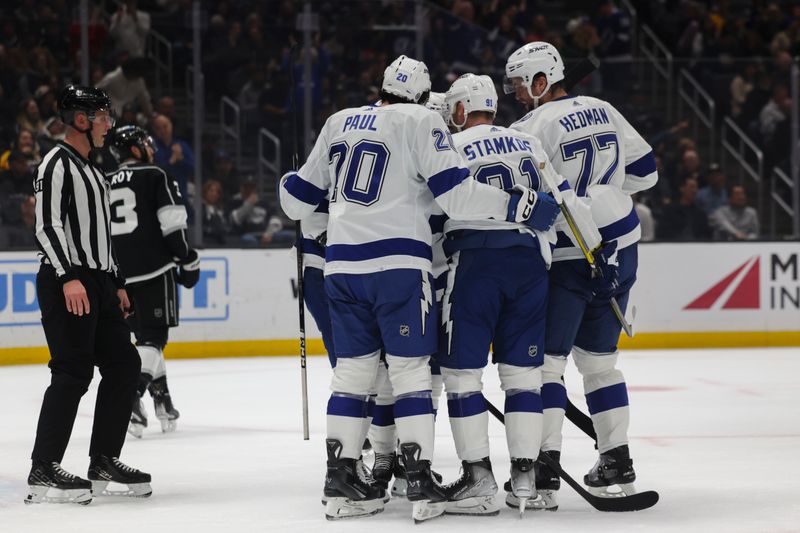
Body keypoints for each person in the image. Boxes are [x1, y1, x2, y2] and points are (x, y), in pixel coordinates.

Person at [279, 55, 547, 522]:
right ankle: (418, 479)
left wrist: (288, 179)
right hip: (400, 265)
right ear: (424, 97)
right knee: (410, 374)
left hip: (341, 268)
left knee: (352, 376)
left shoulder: (339, 121)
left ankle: (341, 481)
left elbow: (294, 201)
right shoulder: (423, 120)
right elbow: (458, 194)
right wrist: (519, 205)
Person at [505, 41, 659, 509]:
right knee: (600, 364)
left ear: (540, 81)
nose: (513, 92)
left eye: (517, 83)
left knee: (548, 365)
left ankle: (545, 469)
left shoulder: (530, 127)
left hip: (571, 256)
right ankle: (616, 458)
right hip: (623, 247)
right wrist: (605, 192)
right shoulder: (603, 108)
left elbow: (529, 200)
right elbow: (647, 172)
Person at [437, 74, 581, 517]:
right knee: (523, 377)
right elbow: (560, 201)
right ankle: (525, 479)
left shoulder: (452, 147)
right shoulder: (526, 142)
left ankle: (479, 480)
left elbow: (436, 205)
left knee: (462, 375)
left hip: (476, 263)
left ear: (461, 110)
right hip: (530, 265)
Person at [27, 85, 151, 506]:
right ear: (81, 120)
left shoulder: (95, 172)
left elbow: (103, 238)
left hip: (97, 282)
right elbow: (47, 226)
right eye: (102, 116)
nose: (107, 124)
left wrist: (114, 283)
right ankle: (43, 467)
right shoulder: (55, 164)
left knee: (124, 363)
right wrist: (68, 277)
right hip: (68, 281)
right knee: (73, 372)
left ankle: (103, 460)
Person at [107, 125, 200, 438]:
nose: (150, 147)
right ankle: (131, 397)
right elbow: (172, 225)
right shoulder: (155, 174)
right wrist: (187, 258)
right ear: (134, 149)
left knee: (145, 339)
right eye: (145, 143)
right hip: (154, 270)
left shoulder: (103, 181)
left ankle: (163, 401)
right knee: (154, 339)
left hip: (117, 276)